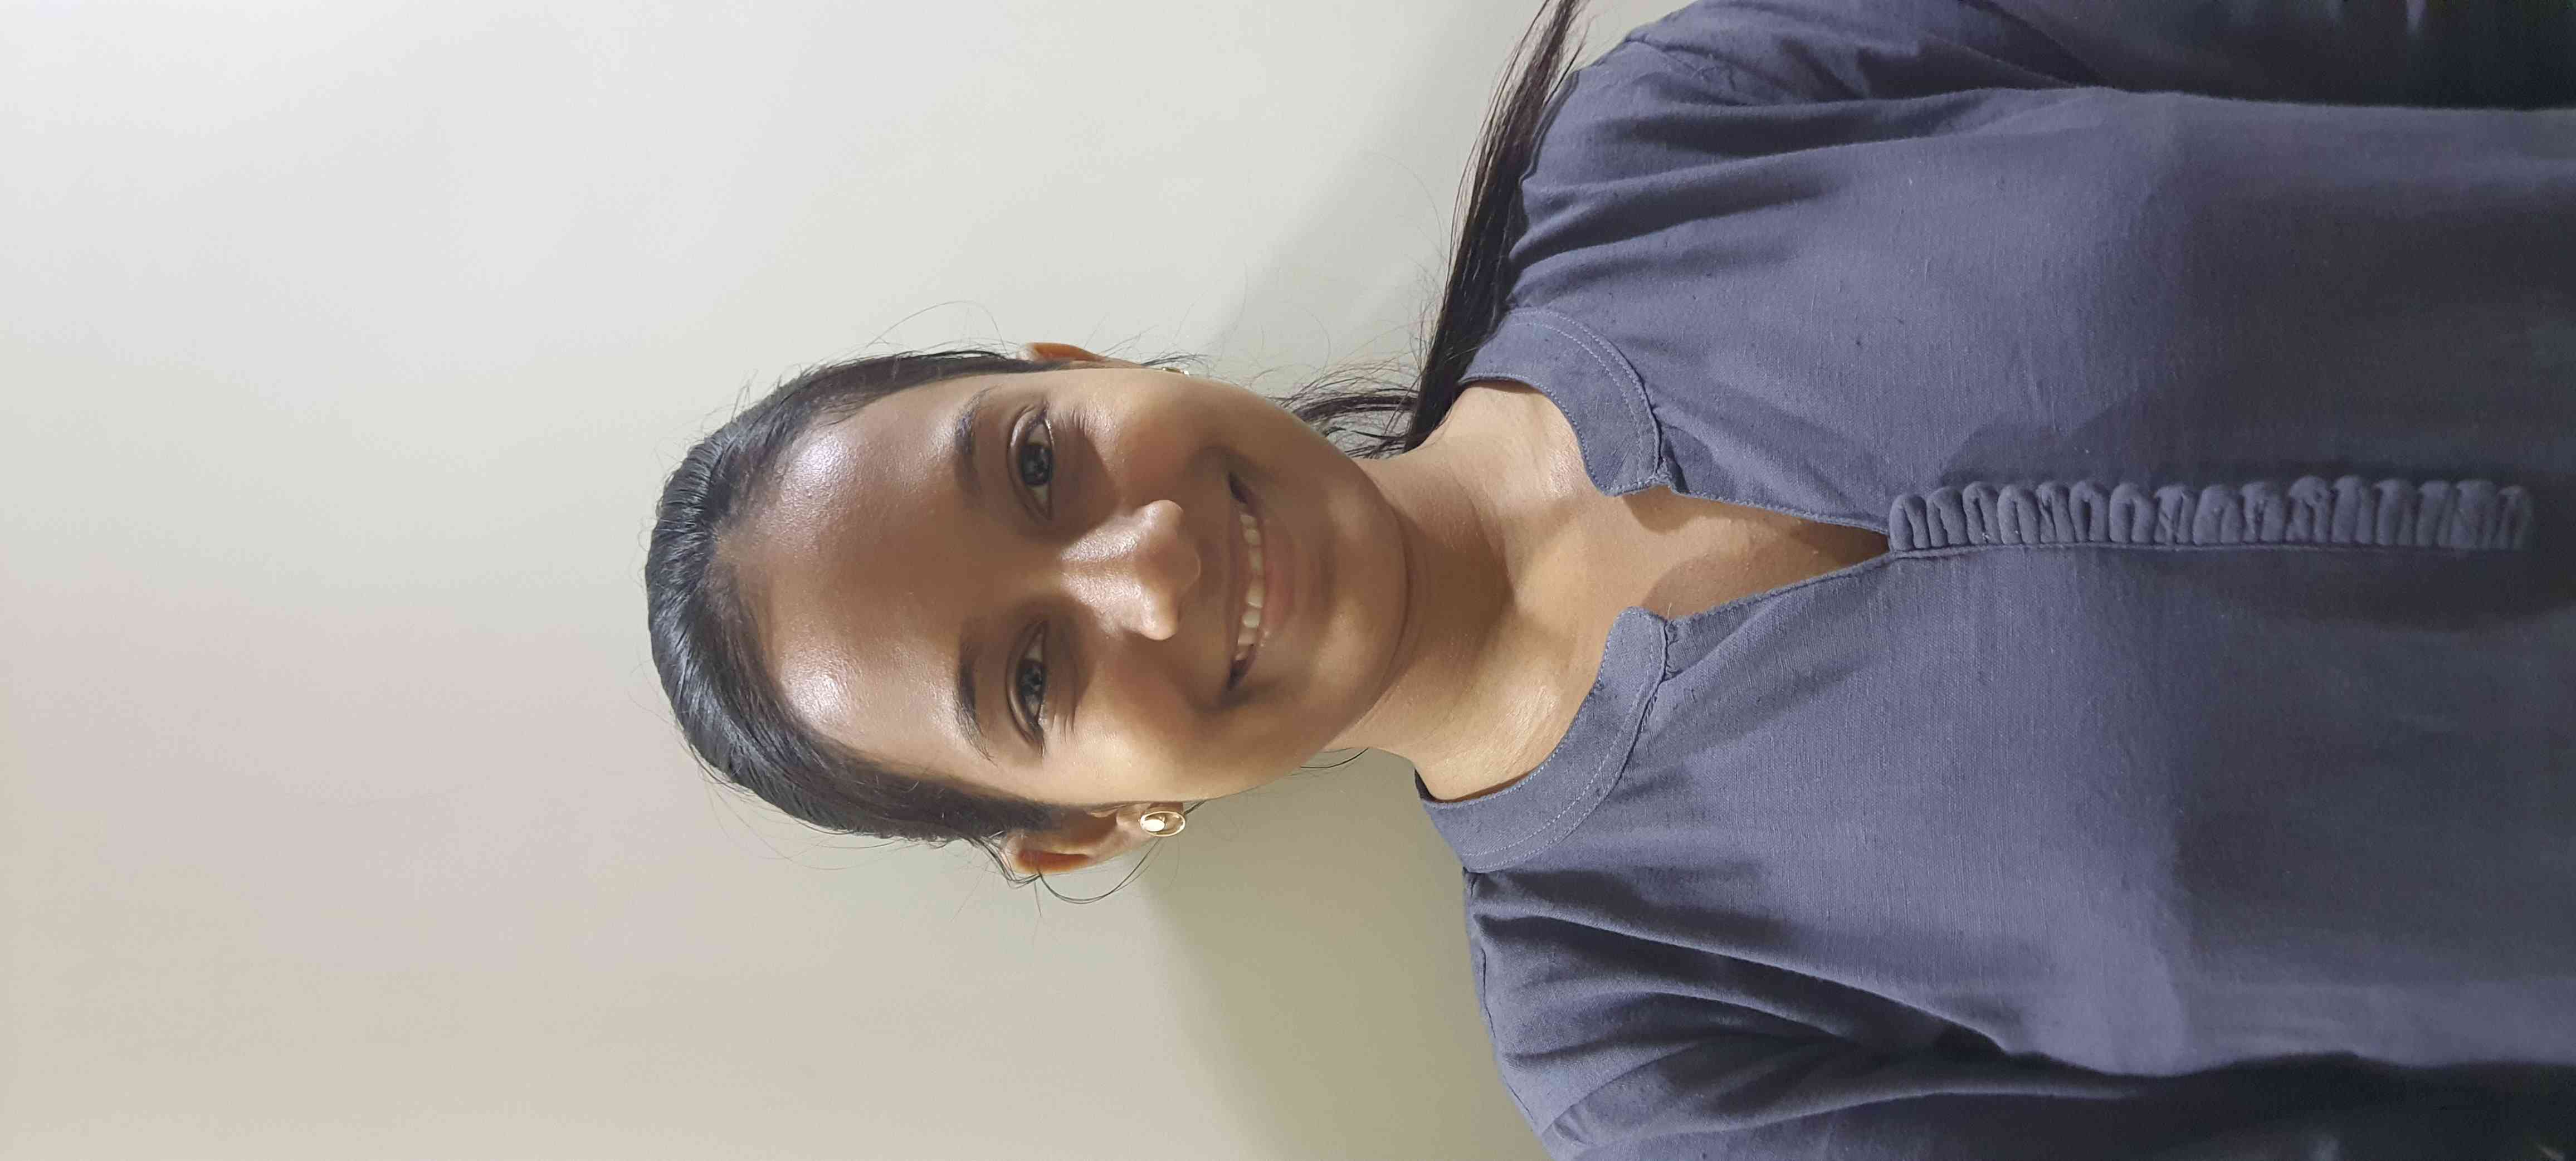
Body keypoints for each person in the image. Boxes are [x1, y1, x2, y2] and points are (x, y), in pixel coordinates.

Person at [645, 0, 2576, 1156]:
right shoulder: (1642, 1048)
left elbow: (2401, 28)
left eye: (1036, 463)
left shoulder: (1675, 131)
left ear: (1077, 369)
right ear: (1086, 823)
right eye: (1035, 675)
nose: (1143, 559)